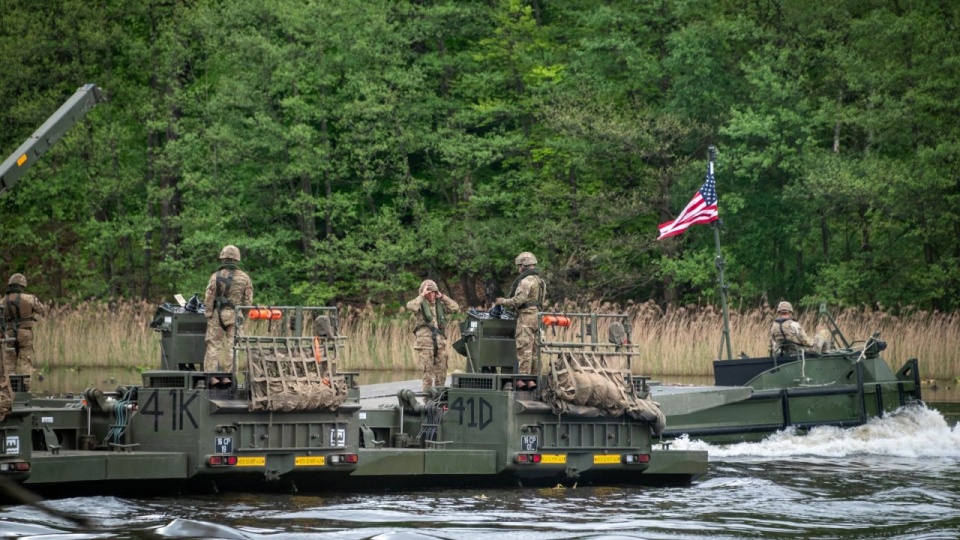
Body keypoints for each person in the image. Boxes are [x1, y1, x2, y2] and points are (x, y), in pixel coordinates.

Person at [204, 245, 253, 372]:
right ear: (237, 259)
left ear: (223, 258)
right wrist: (243, 315)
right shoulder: (245, 277)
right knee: (233, 347)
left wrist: (209, 313)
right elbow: (248, 302)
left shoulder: (215, 276)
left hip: (218, 314)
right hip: (236, 314)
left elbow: (209, 297)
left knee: (213, 346)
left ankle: (211, 377)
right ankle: (230, 377)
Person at [495, 252, 546, 375]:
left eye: (519, 266)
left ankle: (523, 380)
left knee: (524, 351)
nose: (519, 269)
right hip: (538, 317)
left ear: (524, 265)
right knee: (536, 352)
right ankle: (535, 380)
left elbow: (518, 301)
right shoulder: (540, 281)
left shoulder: (526, 281)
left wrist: (502, 301)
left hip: (526, 319)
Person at [406, 279, 459, 393]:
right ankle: (427, 399)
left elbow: (455, 307)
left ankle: (439, 397)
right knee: (427, 374)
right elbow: (410, 306)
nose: (431, 295)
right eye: (429, 292)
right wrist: (422, 295)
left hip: (440, 343)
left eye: (433, 292)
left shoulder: (440, 305)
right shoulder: (420, 305)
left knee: (442, 372)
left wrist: (442, 297)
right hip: (426, 344)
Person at [3, 273, 46, 386]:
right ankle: (25, 388)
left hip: (9, 334)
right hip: (25, 332)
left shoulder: (3, 300)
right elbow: (41, 310)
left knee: (9, 361)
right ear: (23, 285)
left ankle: (9, 388)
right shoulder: (29, 298)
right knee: (25, 360)